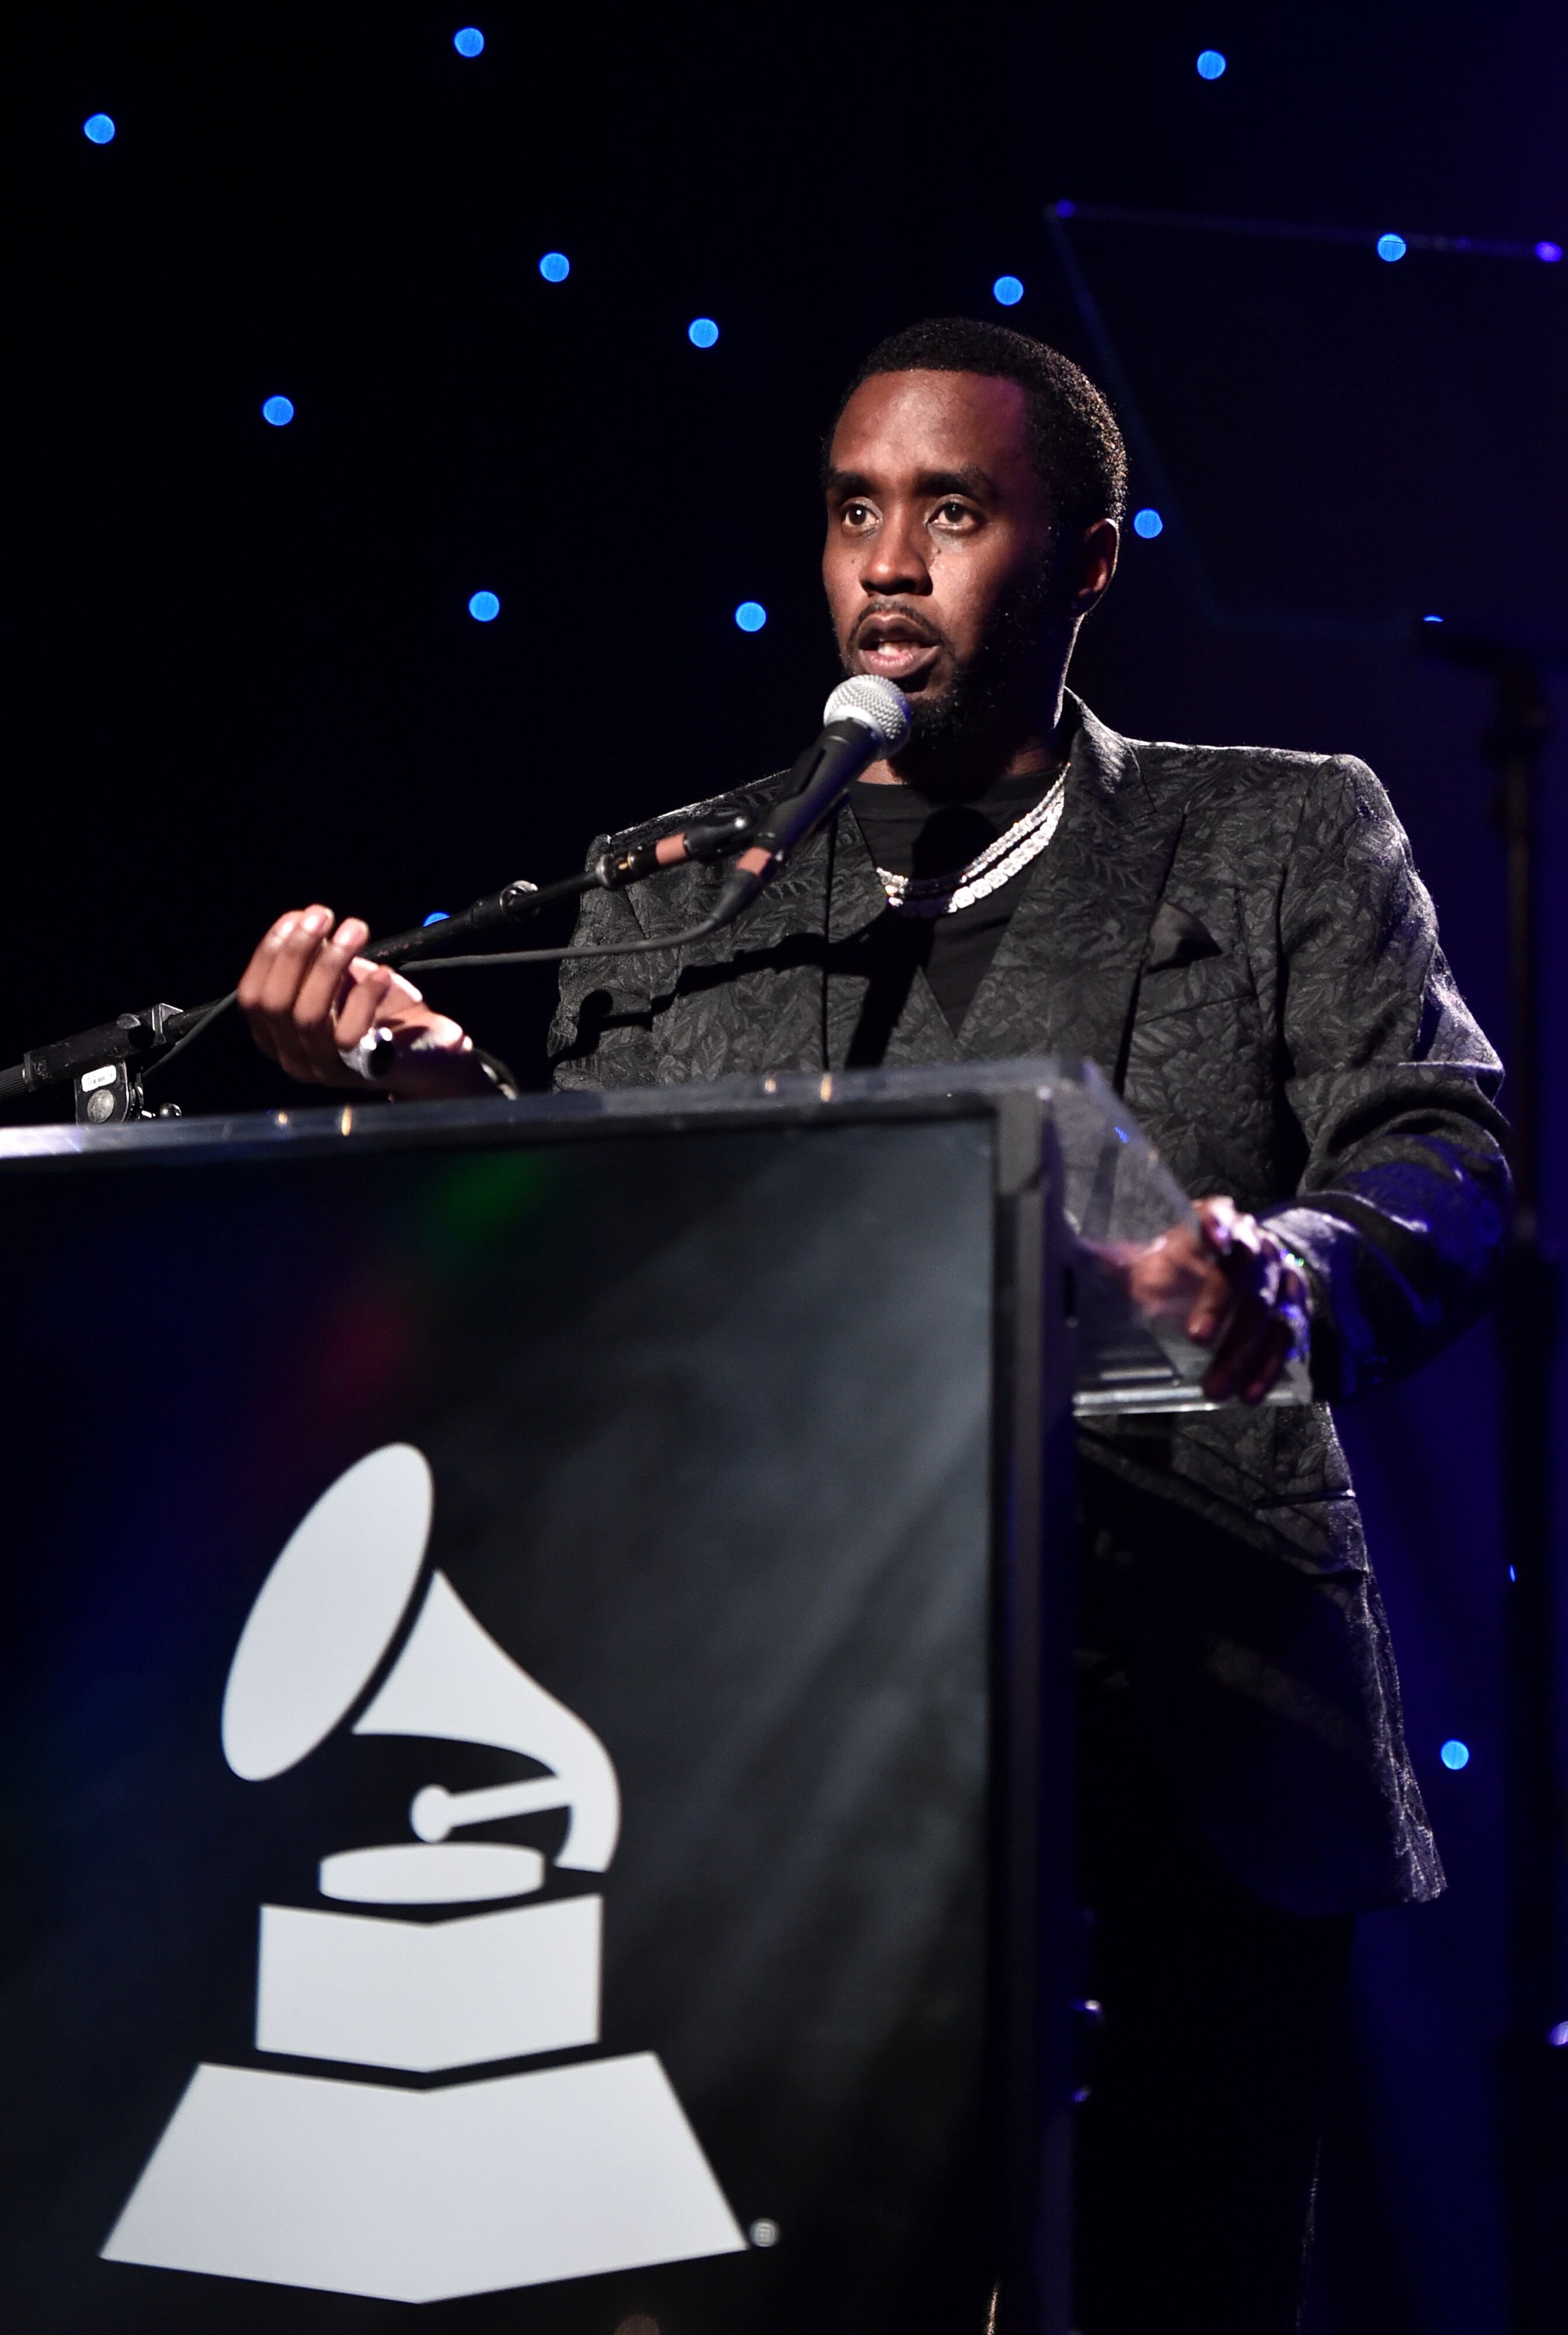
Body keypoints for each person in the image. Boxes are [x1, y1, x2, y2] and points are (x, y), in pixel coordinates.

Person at [237, 318, 1510, 2331]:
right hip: (779, 1746)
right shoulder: (676, 888)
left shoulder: (1275, 832)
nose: (890, 565)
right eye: (853, 513)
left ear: (1087, 558)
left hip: (1185, 1731)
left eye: (952, 510)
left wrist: (1294, 1268)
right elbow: (617, 1263)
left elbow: (1447, 1147)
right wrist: (437, 1110)